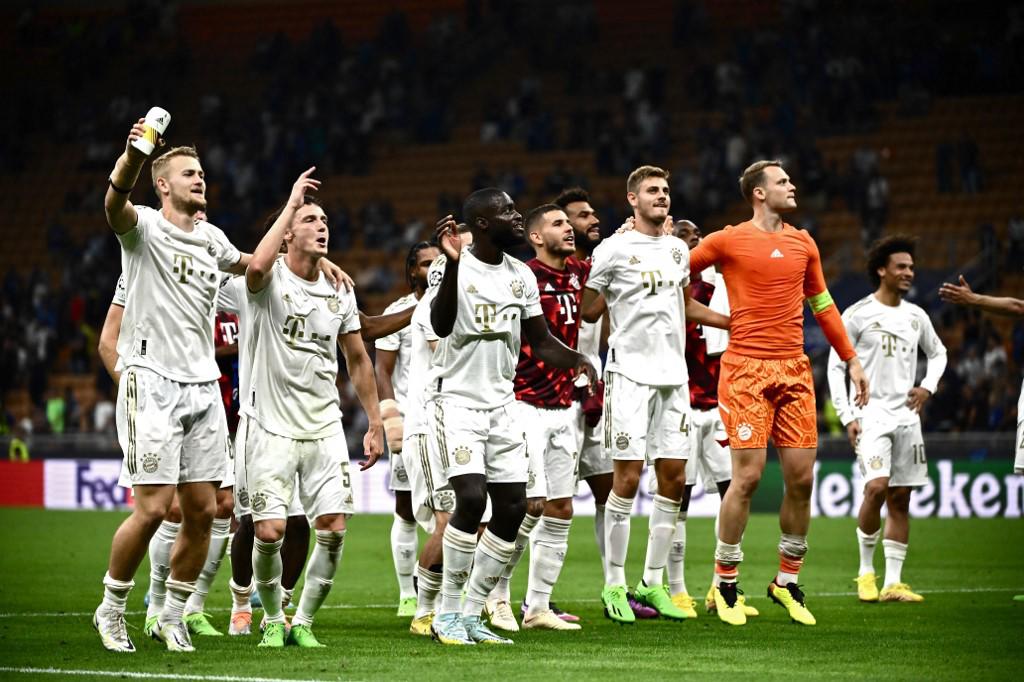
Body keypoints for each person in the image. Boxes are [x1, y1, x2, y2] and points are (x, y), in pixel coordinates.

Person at [688, 159, 869, 626]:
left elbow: (823, 303)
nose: (793, 185)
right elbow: (670, 278)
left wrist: (850, 357)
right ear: (759, 193)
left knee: (802, 480)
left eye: (791, 178)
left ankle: (786, 581)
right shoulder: (727, 239)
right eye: (783, 181)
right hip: (745, 369)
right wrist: (715, 320)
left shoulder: (803, 241)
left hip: (794, 369)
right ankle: (725, 583)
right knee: (746, 479)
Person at [427, 189, 595, 646]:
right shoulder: (450, 266)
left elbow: (539, 341)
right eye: (505, 212)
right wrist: (455, 265)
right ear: (482, 224)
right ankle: (446, 614)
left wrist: (577, 358)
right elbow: (442, 325)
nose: (516, 216)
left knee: (514, 508)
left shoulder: (520, 274)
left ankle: (472, 612)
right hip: (457, 402)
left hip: (502, 405)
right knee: (471, 497)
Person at [581, 166, 729, 624]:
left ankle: (652, 582)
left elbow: (684, 304)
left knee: (672, 479)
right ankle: (613, 587)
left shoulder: (677, 249)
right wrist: (615, 291)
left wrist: (728, 322)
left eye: (665, 190)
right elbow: (588, 308)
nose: (662, 196)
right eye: (652, 190)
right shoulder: (612, 249)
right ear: (632, 199)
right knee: (625, 482)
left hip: (673, 377)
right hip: (629, 376)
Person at [243, 168, 384, 648]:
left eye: (325, 219)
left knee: (334, 528)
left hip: (324, 423)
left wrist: (375, 419)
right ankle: (271, 618)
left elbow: (358, 358)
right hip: (269, 425)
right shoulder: (266, 280)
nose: (322, 225)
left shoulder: (338, 288)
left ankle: (301, 621)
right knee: (270, 530)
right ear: (288, 233)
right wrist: (290, 203)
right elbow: (256, 269)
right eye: (310, 219)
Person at [488, 204, 592, 633]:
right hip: (523, 403)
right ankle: (494, 596)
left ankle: (538, 607)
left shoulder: (578, 273)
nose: (569, 229)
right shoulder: (522, 277)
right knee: (525, 507)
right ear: (535, 236)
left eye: (570, 224)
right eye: (558, 224)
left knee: (561, 507)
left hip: (564, 407)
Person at [828, 235, 947, 604]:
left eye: (911, 267)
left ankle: (893, 583)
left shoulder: (916, 316)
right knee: (876, 487)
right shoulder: (858, 313)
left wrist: (927, 386)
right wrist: (847, 414)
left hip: (908, 419)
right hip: (871, 416)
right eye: (901, 266)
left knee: (900, 499)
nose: (909, 272)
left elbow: (939, 353)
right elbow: (836, 365)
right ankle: (866, 571)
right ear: (882, 270)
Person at [555, 187, 656, 620]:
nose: (591, 219)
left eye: (593, 212)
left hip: (591, 396)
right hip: (549, 398)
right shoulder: (547, 274)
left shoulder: (598, 266)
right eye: (579, 216)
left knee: (606, 492)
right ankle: (521, 595)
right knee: (540, 503)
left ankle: (614, 588)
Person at [663, 219, 760, 620]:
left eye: (697, 237)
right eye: (685, 236)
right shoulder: (665, 291)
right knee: (677, 500)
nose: (694, 241)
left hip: (720, 406)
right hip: (680, 405)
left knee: (733, 491)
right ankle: (677, 589)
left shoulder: (723, 287)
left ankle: (722, 587)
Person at [402, 224, 473, 637]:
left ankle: (451, 605)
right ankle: (424, 610)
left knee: (472, 520)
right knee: (448, 522)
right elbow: (444, 354)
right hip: (429, 426)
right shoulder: (434, 303)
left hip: (460, 424)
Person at [375, 241, 441, 618]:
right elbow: (382, 370)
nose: (432, 268)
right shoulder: (397, 312)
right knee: (405, 509)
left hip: (449, 416)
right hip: (411, 419)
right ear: (412, 271)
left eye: (437, 261)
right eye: (424, 264)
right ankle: (406, 594)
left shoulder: (455, 305)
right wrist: (390, 417)